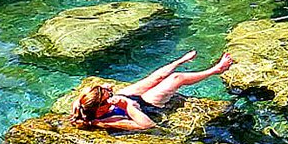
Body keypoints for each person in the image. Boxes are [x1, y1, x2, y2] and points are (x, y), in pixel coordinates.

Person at [70, 51, 234, 132]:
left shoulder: (82, 104)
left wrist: (107, 92)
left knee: (156, 77)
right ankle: (216, 70)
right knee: (177, 78)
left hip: (125, 99)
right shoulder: (106, 121)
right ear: (100, 109)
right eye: (108, 96)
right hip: (143, 106)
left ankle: (181, 60)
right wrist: (126, 106)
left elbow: (83, 98)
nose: (110, 91)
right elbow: (147, 126)